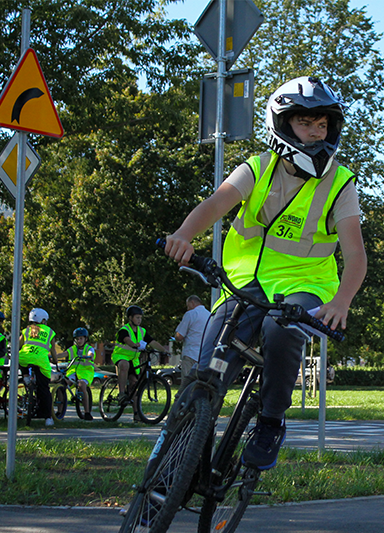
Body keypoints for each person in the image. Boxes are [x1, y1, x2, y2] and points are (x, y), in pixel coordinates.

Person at [163, 75, 367, 470]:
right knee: (204, 376)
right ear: (282, 123)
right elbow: (215, 204)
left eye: (322, 124)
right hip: (243, 286)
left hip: (303, 288)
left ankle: (271, 421)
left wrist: (342, 301)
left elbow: (355, 254)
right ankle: (172, 471)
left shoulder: (340, 183)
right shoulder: (257, 168)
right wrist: (184, 235)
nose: (315, 132)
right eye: (305, 123)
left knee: (281, 330)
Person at [111, 305, 169, 416]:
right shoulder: (124, 330)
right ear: (130, 318)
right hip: (121, 356)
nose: (139, 320)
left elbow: (152, 342)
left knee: (134, 384)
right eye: (137, 317)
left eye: (140, 318)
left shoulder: (142, 331)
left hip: (133, 359)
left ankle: (137, 414)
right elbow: (126, 339)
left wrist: (164, 351)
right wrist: (134, 345)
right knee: (124, 365)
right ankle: (121, 393)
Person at [17, 308, 58, 426]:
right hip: (40, 361)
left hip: (25, 357)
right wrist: (55, 361)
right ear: (44, 320)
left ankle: (25, 376)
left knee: (21, 358)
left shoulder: (26, 330)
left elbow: (19, 345)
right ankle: (48, 418)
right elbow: (53, 351)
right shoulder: (50, 332)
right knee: (44, 389)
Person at [56, 327, 96, 420]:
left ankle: (87, 412)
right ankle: (59, 411)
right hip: (73, 372)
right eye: (77, 339)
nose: (79, 341)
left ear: (86, 339)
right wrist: (52, 356)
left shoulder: (89, 348)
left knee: (82, 385)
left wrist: (88, 356)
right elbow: (64, 354)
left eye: (81, 338)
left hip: (86, 372)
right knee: (61, 385)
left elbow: (91, 355)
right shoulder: (73, 348)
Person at [174, 295, 210, 393]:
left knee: (187, 383)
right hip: (204, 355)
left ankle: (181, 404)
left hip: (190, 354)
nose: (187, 308)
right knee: (200, 385)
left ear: (192, 303)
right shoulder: (210, 315)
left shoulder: (190, 314)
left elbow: (179, 336)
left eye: (188, 305)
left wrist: (176, 336)